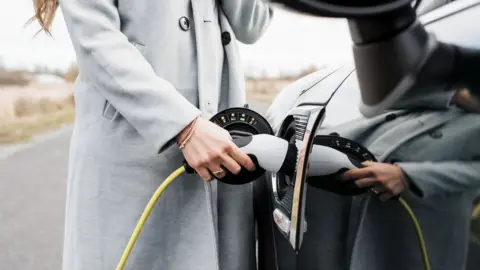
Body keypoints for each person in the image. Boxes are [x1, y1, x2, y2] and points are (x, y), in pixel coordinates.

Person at [31, 0, 273, 269]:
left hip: (220, 149)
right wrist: (184, 125)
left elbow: (253, 25)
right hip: (130, 153)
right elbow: (96, 40)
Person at [292, 87, 480, 270]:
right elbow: (374, 101)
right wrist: (454, 95)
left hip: (419, 210)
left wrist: (408, 176)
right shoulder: (455, 78)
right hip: (339, 178)